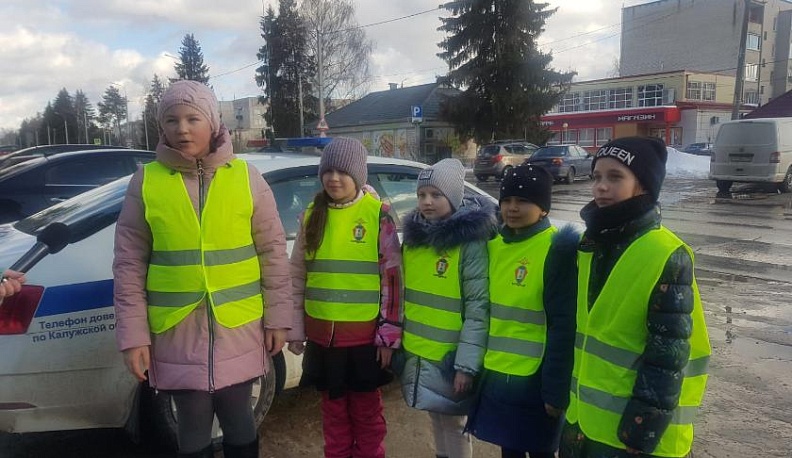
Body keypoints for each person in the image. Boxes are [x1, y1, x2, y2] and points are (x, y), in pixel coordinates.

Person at [113, 80, 292, 458]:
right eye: (172, 120)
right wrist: (134, 337)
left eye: (193, 118)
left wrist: (279, 319)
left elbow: (273, 254)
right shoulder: (146, 182)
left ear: (213, 122)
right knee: (192, 424)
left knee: (239, 417)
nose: (182, 128)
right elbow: (128, 265)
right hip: (176, 331)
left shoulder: (246, 178)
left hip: (238, 327)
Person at [559, 137, 711, 458]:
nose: (601, 187)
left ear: (643, 186)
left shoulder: (665, 253)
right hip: (583, 423)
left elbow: (667, 357)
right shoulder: (592, 245)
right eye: (596, 177)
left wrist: (640, 433)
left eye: (615, 177)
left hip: (629, 437)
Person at [287, 137, 402, 458]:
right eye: (328, 170)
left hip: (365, 341)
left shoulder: (377, 215)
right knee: (333, 414)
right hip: (324, 341)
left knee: (366, 414)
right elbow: (296, 277)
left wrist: (388, 336)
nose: (334, 178)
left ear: (359, 176)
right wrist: (295, 329)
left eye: (343, 171)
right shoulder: (311, 215)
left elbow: (392, 282)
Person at [466, 164, 579, 458]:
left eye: (523, 201)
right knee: (509, 450)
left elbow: (563, 326)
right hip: (498, 374)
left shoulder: (556, 249)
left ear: (543, 208)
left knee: (540, 451)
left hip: (536, 381)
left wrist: (555, 391)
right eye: (506, 201)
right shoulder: (495, 245)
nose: (512, 208)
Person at [398, 158, 497, 458]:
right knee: (435, 416)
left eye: (436, 195)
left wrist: (466, 365)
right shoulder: (414, 241)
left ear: (454, 197)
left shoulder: (470, 243)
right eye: (421, 195)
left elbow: (478, 308)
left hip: (450, 357)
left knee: (454, 423)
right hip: (419, 352)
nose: (427, 202)